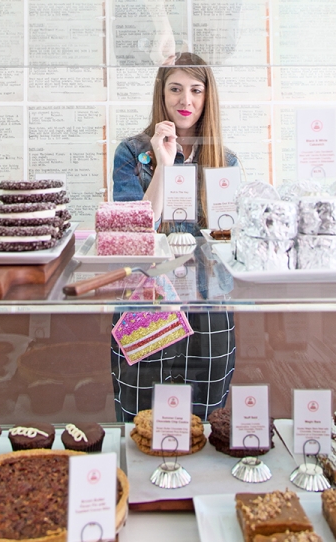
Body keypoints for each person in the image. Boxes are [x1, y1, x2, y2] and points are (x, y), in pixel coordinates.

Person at [110, 52, 238, 421]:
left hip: (208, 305)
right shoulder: (132, 153)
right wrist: (164, 167)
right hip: (146, 301)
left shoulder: (223, 161)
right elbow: (133, 232)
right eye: (176, 89)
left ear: (206, 96)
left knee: (205, 417)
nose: (186, 100)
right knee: (140, 414)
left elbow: (227, 241)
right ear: (161, 94)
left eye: (196, 90)